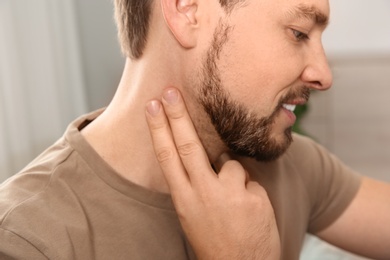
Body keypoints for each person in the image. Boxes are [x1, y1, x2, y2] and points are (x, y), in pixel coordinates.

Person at [0, 0, 389, 259]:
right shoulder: (27, 239)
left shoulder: (294, 166)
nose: (323, 74)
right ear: (187, 11)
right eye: (299, 33)